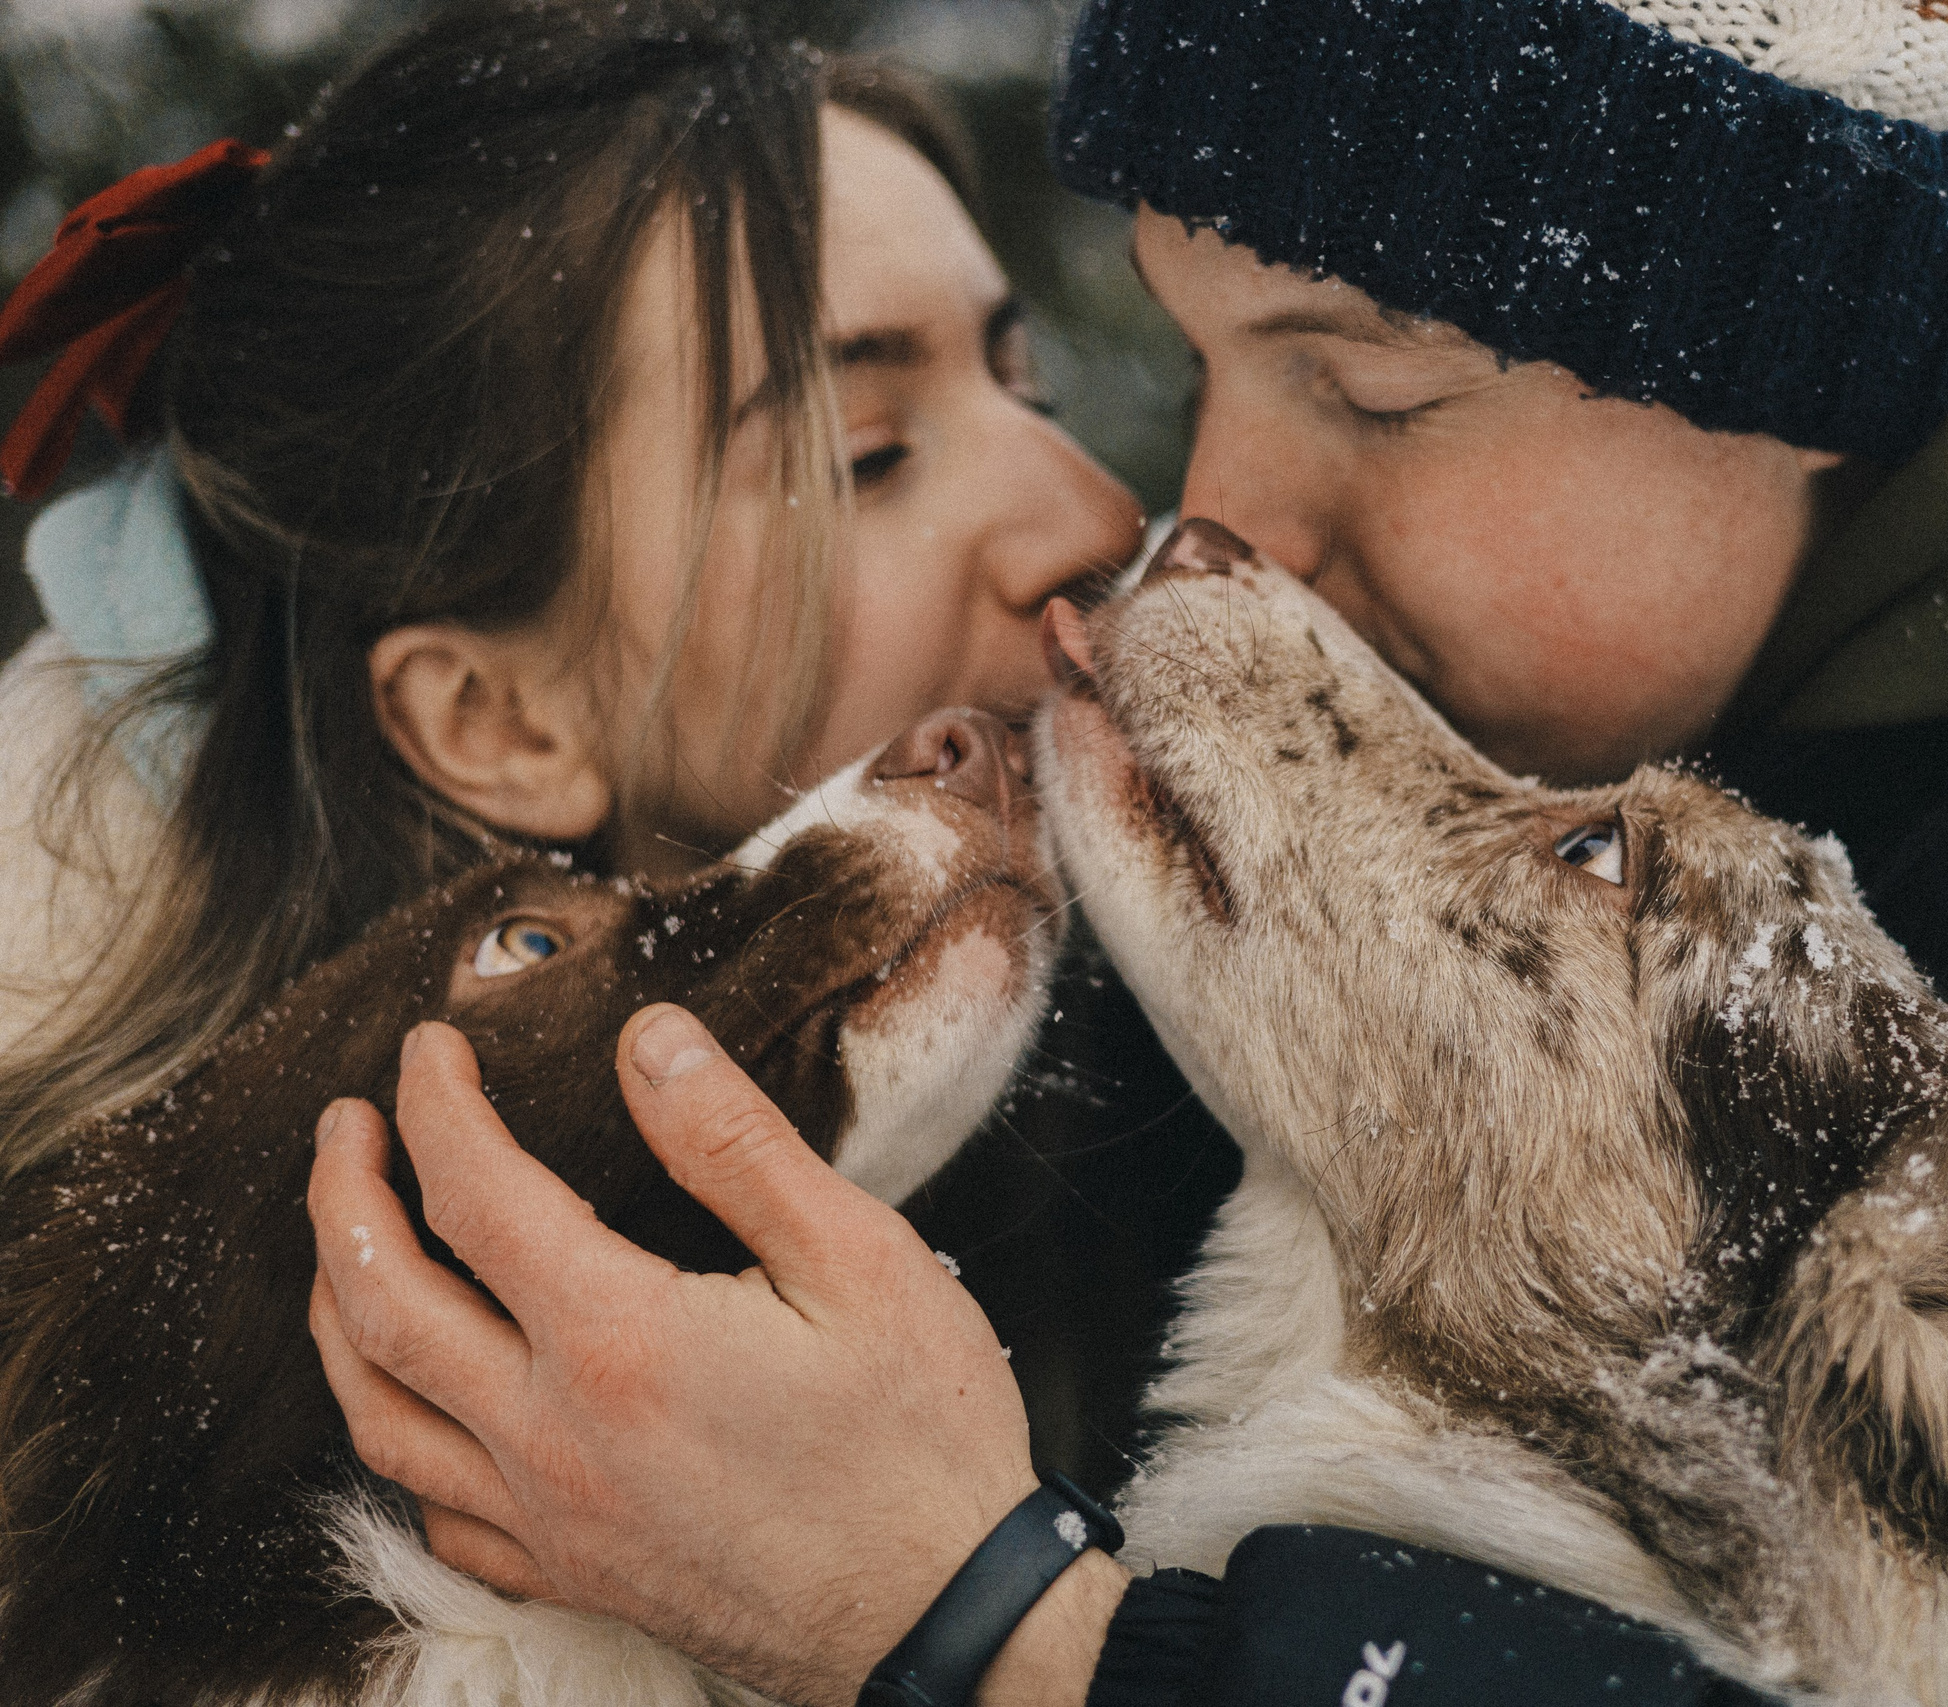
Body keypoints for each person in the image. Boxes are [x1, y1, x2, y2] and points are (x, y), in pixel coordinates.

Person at [305, 0, 1948, 1703]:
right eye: (1186, 352)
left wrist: (1002, 1620)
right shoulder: (1394, 746)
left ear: (1807, 350)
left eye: (1366, 385)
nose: (1213, 515)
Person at [0, 4, 1180, 1688]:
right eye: (870, 455)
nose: (1095, 516)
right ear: (493, 720)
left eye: (1024, 377)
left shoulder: (1185, 1118)